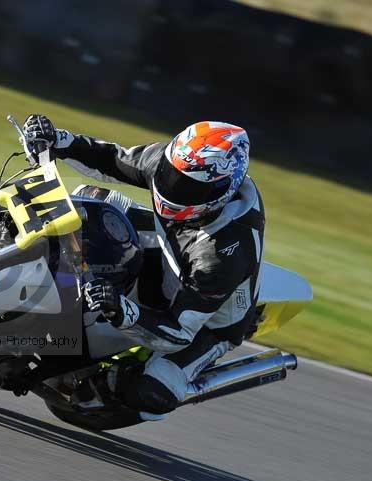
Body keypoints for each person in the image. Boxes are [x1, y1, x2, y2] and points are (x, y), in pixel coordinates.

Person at [23, 114, 264, 422]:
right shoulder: (174, 164)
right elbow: (112, 158)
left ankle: (117, 380)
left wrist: (122, 310)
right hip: (172, 249)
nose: (173, 189)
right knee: (89, 201)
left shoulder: (222, 255)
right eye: (172, 177)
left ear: (223, 191)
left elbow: (178, 331)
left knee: (152, 392)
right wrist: (58, 139)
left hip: (204, 322)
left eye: (189, 189)